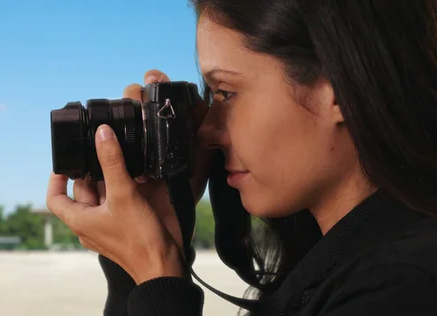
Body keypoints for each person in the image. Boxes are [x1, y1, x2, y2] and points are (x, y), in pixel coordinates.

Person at [46, 0, 437, 315]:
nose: (207, 132)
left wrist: (158, 278)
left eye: (225, 94)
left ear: (336, 89)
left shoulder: (401, 285)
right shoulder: (342, 262)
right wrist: (135, 270)